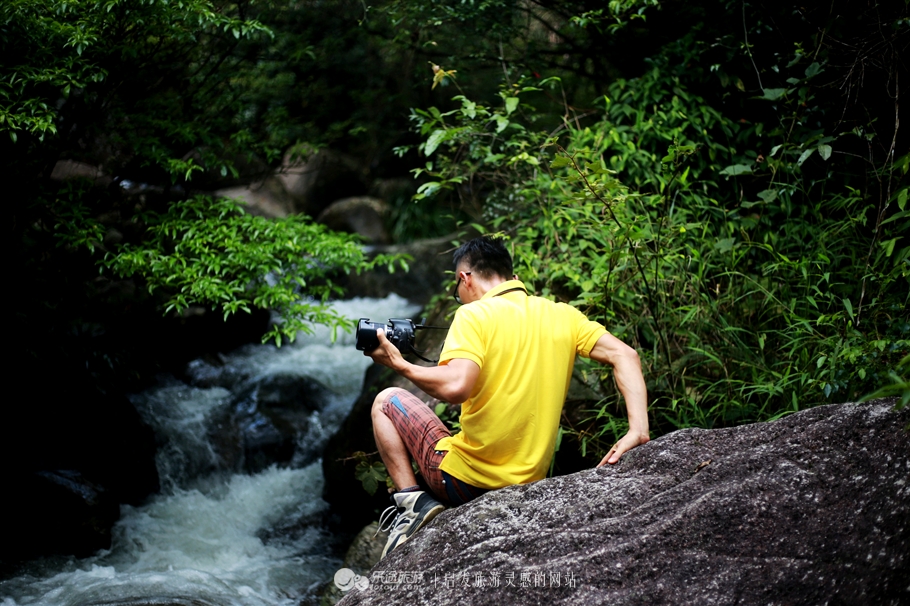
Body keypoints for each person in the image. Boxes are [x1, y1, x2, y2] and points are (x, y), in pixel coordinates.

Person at [364, 236, 649, 558]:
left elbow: (456, 387)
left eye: (457, 290)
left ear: (464, 278)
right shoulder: (563, 315)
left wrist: (399, 364)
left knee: (387, 400)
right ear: (513, 279)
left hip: (466, 483)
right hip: (528, 484)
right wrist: (637, 429)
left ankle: (411, 504)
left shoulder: (474, 315)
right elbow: (626, 355)